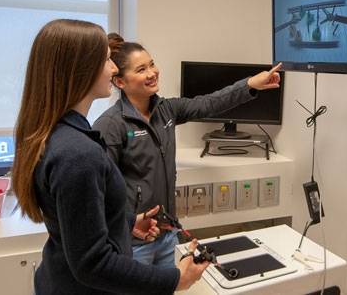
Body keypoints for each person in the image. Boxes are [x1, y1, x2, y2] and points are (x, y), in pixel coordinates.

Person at [11, 19, 208, 295]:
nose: (114, 69)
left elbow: (77, 221)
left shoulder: (58, 134)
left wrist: (126, 222)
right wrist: (176, 280)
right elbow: (93, 263)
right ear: (80, 70)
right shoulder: (78, 153)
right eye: (106, 60)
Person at [92, 33, 281, 267]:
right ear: (120, 82)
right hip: (134, 242)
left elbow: (209, 102)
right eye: (141, 70)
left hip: (166, 234)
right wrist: (126, 225)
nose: (152, 73)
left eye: (152, 64)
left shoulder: (166, 110)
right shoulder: (111, 125)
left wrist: (250, 84)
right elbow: (99, 192)